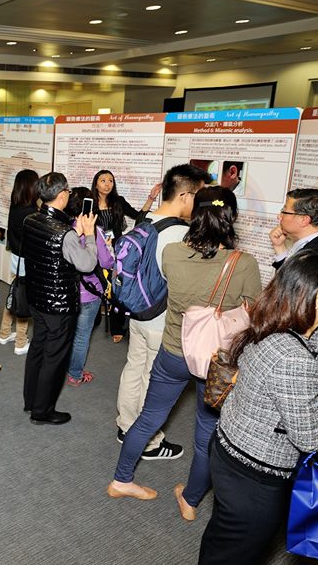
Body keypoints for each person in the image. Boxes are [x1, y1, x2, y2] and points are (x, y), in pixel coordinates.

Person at [199, 251, 318, 564]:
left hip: (230, 449)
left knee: (223, 539)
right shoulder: (294, 359)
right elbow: (310, 439)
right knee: (238, 551)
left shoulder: (282, 324)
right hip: (254, 476)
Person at [108, 186, 261, 518]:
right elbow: (254, 312)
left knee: (149, 418)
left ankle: (121, 481)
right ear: (232, 218)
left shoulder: (173, 253)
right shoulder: (244, 263)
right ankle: (190, 501)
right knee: (206, 433)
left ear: (195, 213)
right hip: (217, 361)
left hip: (174, 351)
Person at [114, 163, 211, 457]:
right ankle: (149, 442)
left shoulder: (144, 223)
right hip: (163, 321)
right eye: (198, 197)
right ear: (184, 196)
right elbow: (189, 287)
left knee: (134, 369)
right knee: (152, 380)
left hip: (138, 312)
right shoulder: (182, 235)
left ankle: (126, 426)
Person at [22, 172, 98, 425]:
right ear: (62, 195)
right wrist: (89, 235)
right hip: (59, 304)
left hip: (36, 297)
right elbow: (87, 264)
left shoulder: (31, 219)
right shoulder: (65, 233)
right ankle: (42, 411)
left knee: (37, 348)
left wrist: (76, 233)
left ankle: (31, 400)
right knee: (54, 357)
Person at [91, 170, 161, 343]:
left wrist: (151, 198)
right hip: (96, 249)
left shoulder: (118, 201)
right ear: (96, 184)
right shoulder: (90, 203)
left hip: (116, 249)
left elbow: (139, 217)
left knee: (117, 287)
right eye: (103, 180)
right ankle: (92, 319)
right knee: (96, 285)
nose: (107, 184)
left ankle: (117, 327)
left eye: (110, 180)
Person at [64, 187, 115, 386]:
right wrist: (108, 247)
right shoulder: (94, 232)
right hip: (89, 293)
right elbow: (106, 262)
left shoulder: (63, 227)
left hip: (68, 290)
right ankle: (75, 374)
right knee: (82, 335)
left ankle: (63, 367)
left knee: (66, 332)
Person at [0, 169, 39, 355]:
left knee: (14, 295)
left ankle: (4, 333)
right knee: (23, 299)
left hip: (16, 257)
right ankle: (21, 343)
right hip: (28, 261)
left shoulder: (15, 207)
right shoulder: (32, 213)